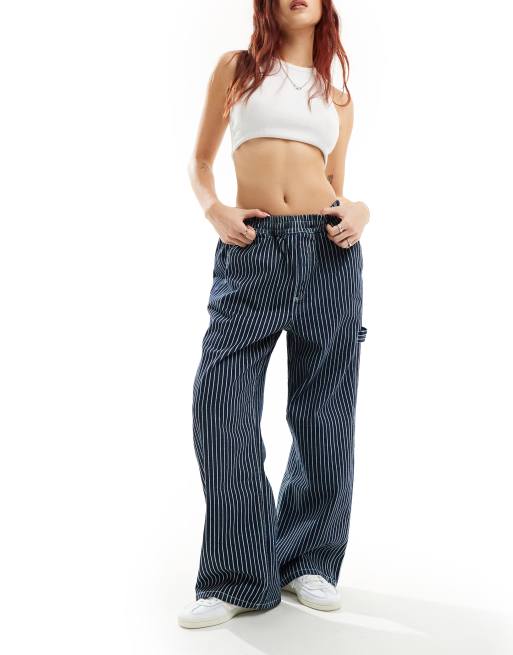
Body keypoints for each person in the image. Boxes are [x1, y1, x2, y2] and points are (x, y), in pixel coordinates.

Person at [178, 0, 370, 629]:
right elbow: (200, 162)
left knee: (325, 412)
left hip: (327, 250)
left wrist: (360, 211)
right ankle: (238, 572)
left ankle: (308, 559)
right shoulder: (235, 69)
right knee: (221, 403)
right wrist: (216, 211)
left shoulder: (337, 98)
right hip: (252, 247)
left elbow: (337, 183)